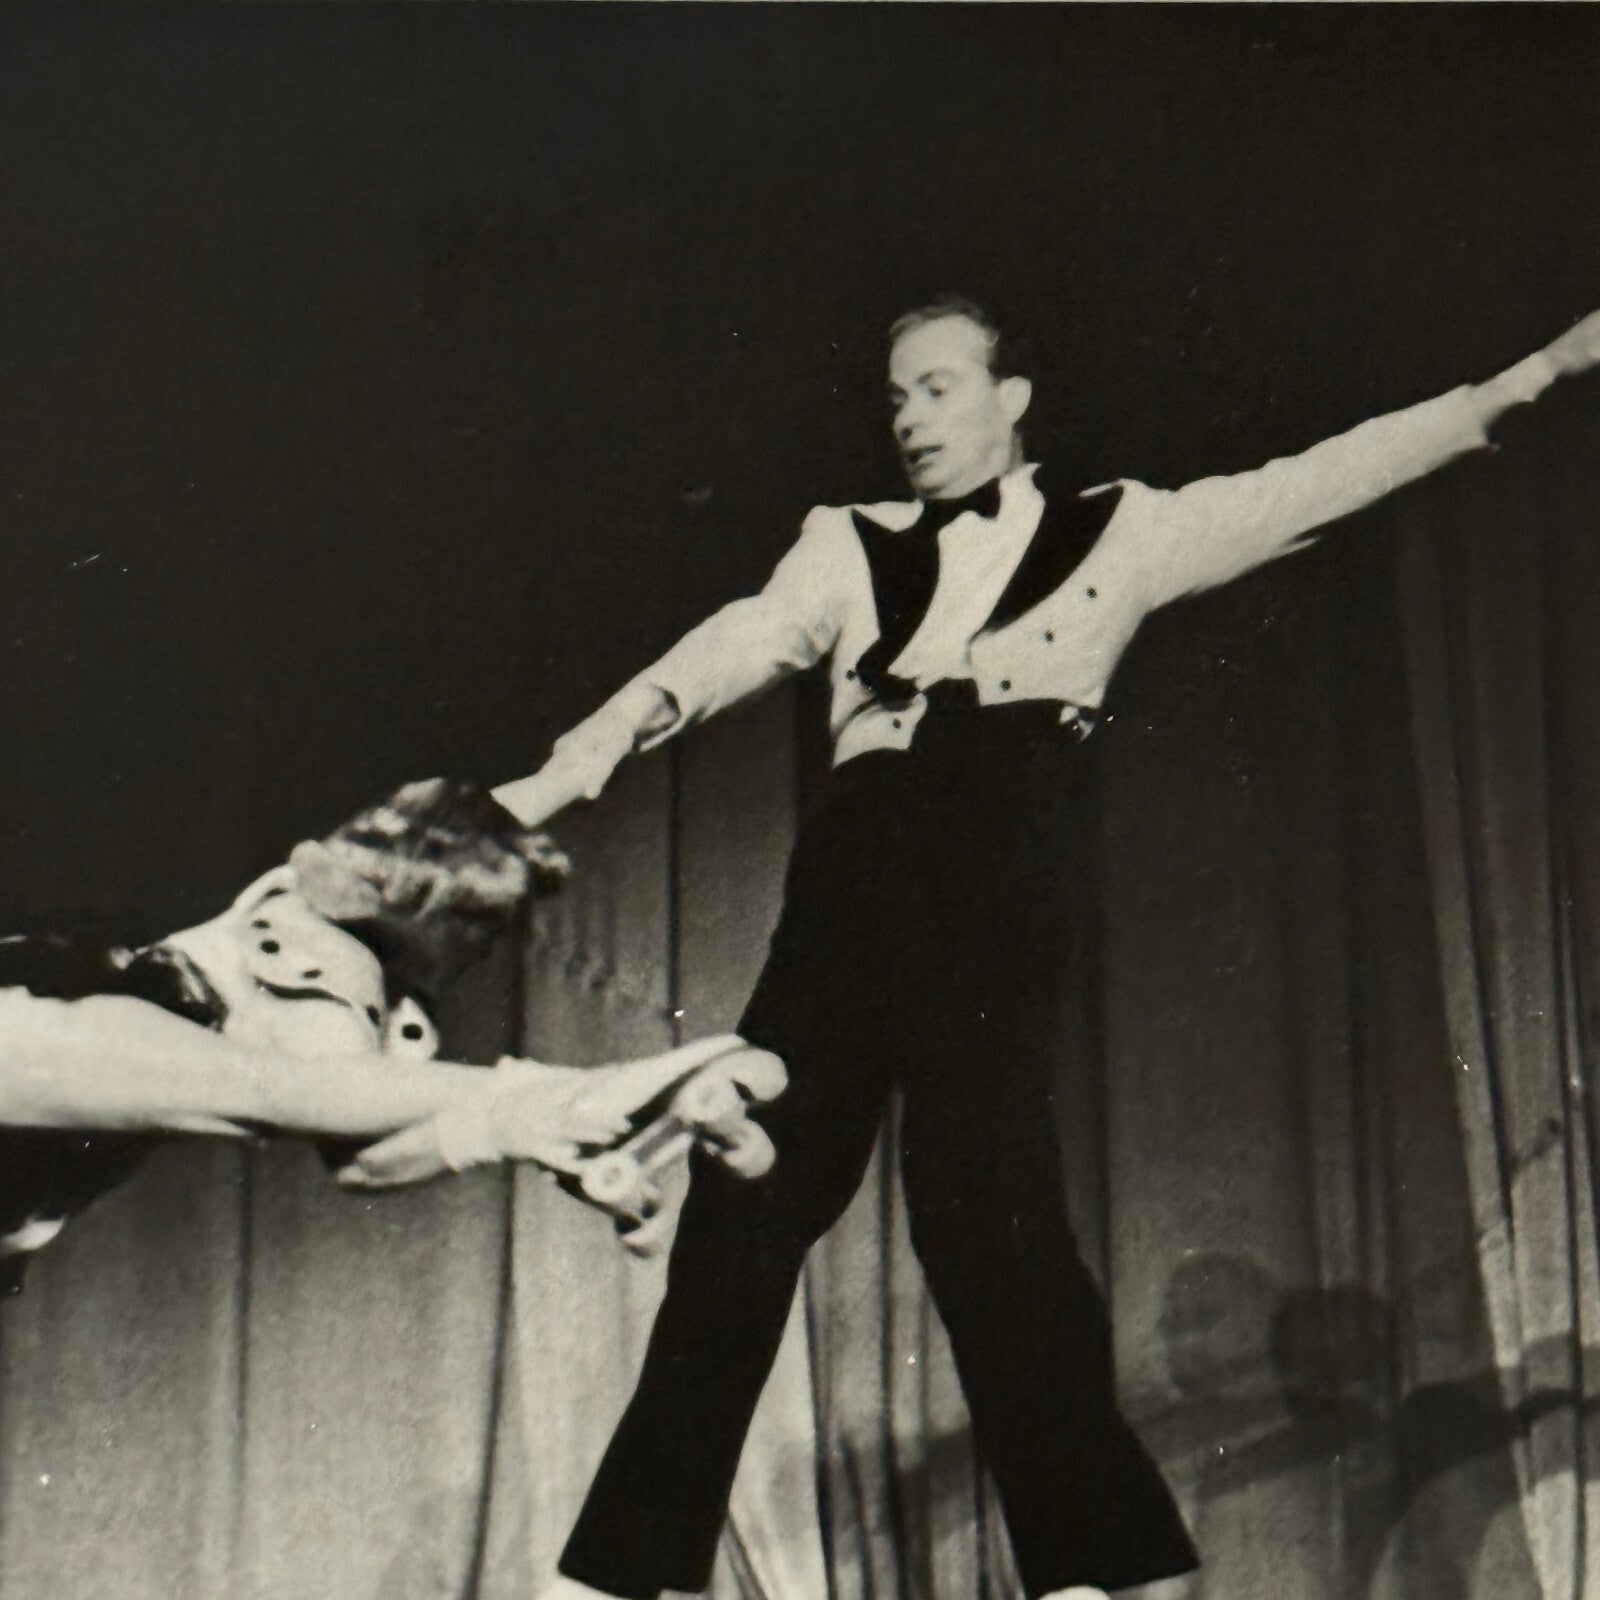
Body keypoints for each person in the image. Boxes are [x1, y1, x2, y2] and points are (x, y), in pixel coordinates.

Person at [470, 299, 1600, 1600]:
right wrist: (564, 773)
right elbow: (731, 646)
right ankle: (621, 1575)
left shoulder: (1128, 529)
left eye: (939, 389)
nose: (910, 421)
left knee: (985, 1215)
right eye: (896, 398)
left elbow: (1327, 478)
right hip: (852, 891)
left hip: (994, 887)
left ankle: (1097, 1568)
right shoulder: (846, 546)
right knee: (743, 1204)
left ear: (1014, 401)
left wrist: (1534, 378)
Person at [0, 779, 636, 1293]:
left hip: (47, 1038)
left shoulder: (312, 908)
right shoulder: (337, 970)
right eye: (481, 933)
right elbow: (333, 1109)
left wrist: (486, 1130)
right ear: (434, 912)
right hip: (48, 1048)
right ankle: (560, 1092)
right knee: (279, 1092)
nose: (486, 952)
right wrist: (518, 1110)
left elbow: (361, 1150)